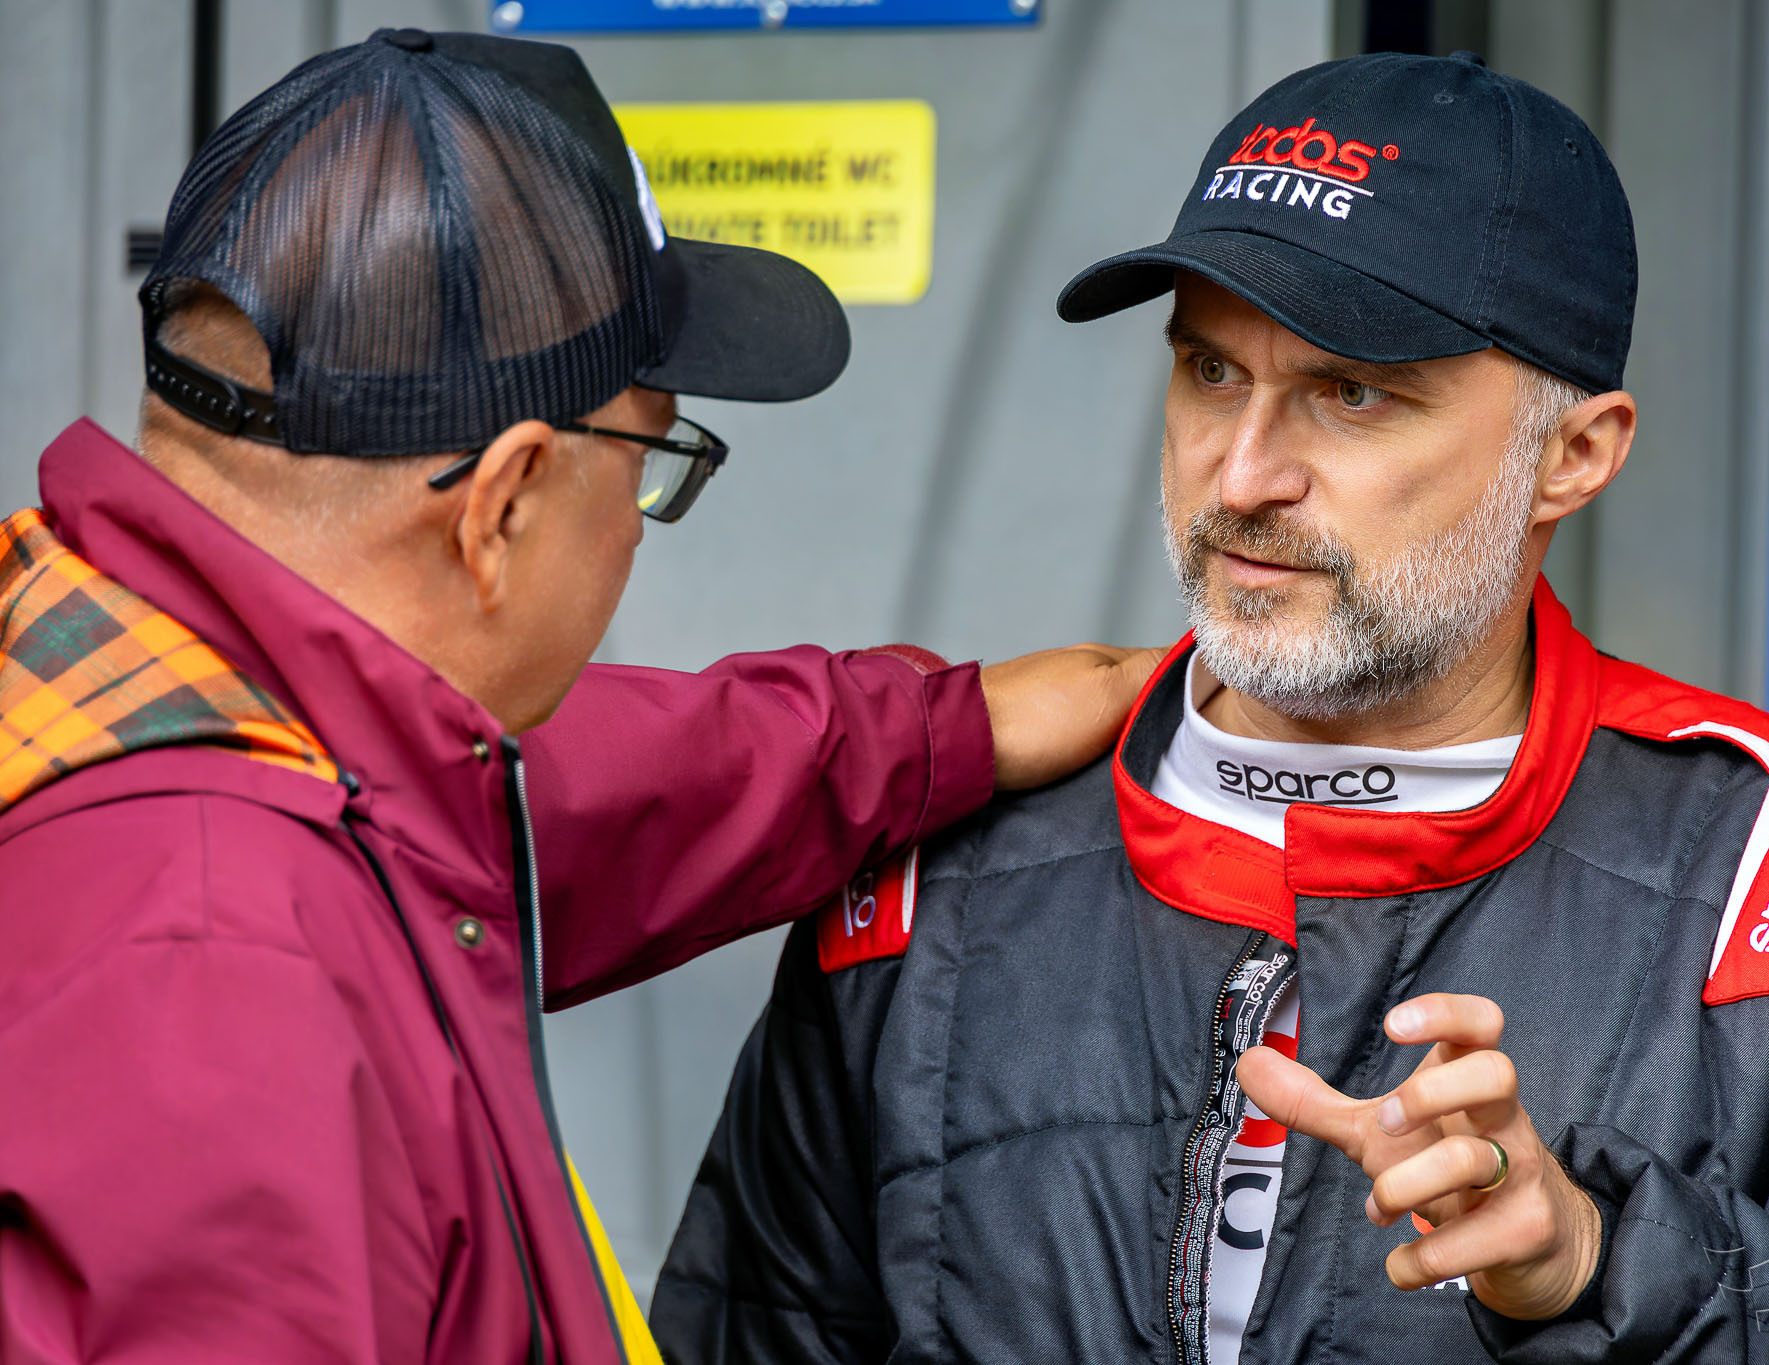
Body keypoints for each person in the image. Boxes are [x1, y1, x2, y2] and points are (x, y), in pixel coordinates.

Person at [654, 50, 1769, 1363]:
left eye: (1353, 393)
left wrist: (1598, 1264)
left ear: (1573, 455)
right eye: (1210, 370)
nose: (1243, 474)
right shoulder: (932, 867)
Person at [0, 28, 1159, 1364]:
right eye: (653, 460)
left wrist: (936, 730)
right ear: (503, 502)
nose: (637, 525)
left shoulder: (146, 693)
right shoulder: (219, 978)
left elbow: (571, 792)